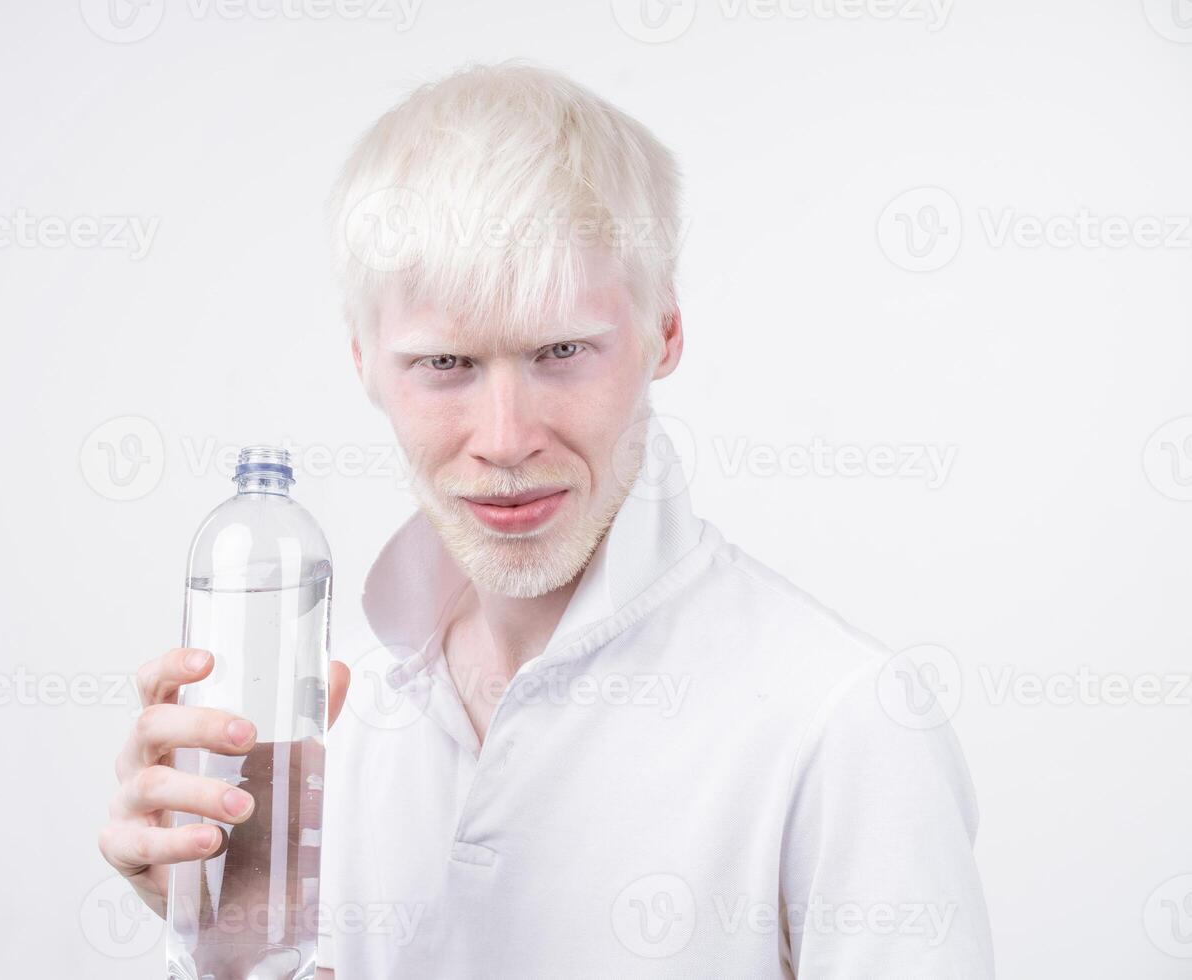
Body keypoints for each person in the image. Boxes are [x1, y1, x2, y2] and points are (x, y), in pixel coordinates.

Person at [99, 60, 994, 978]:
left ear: (665, 334)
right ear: (364, 361)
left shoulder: (846, 725)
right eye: (445, 363)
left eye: (561, 351)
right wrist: (224, 944)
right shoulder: (343, 729)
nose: (504, 439)